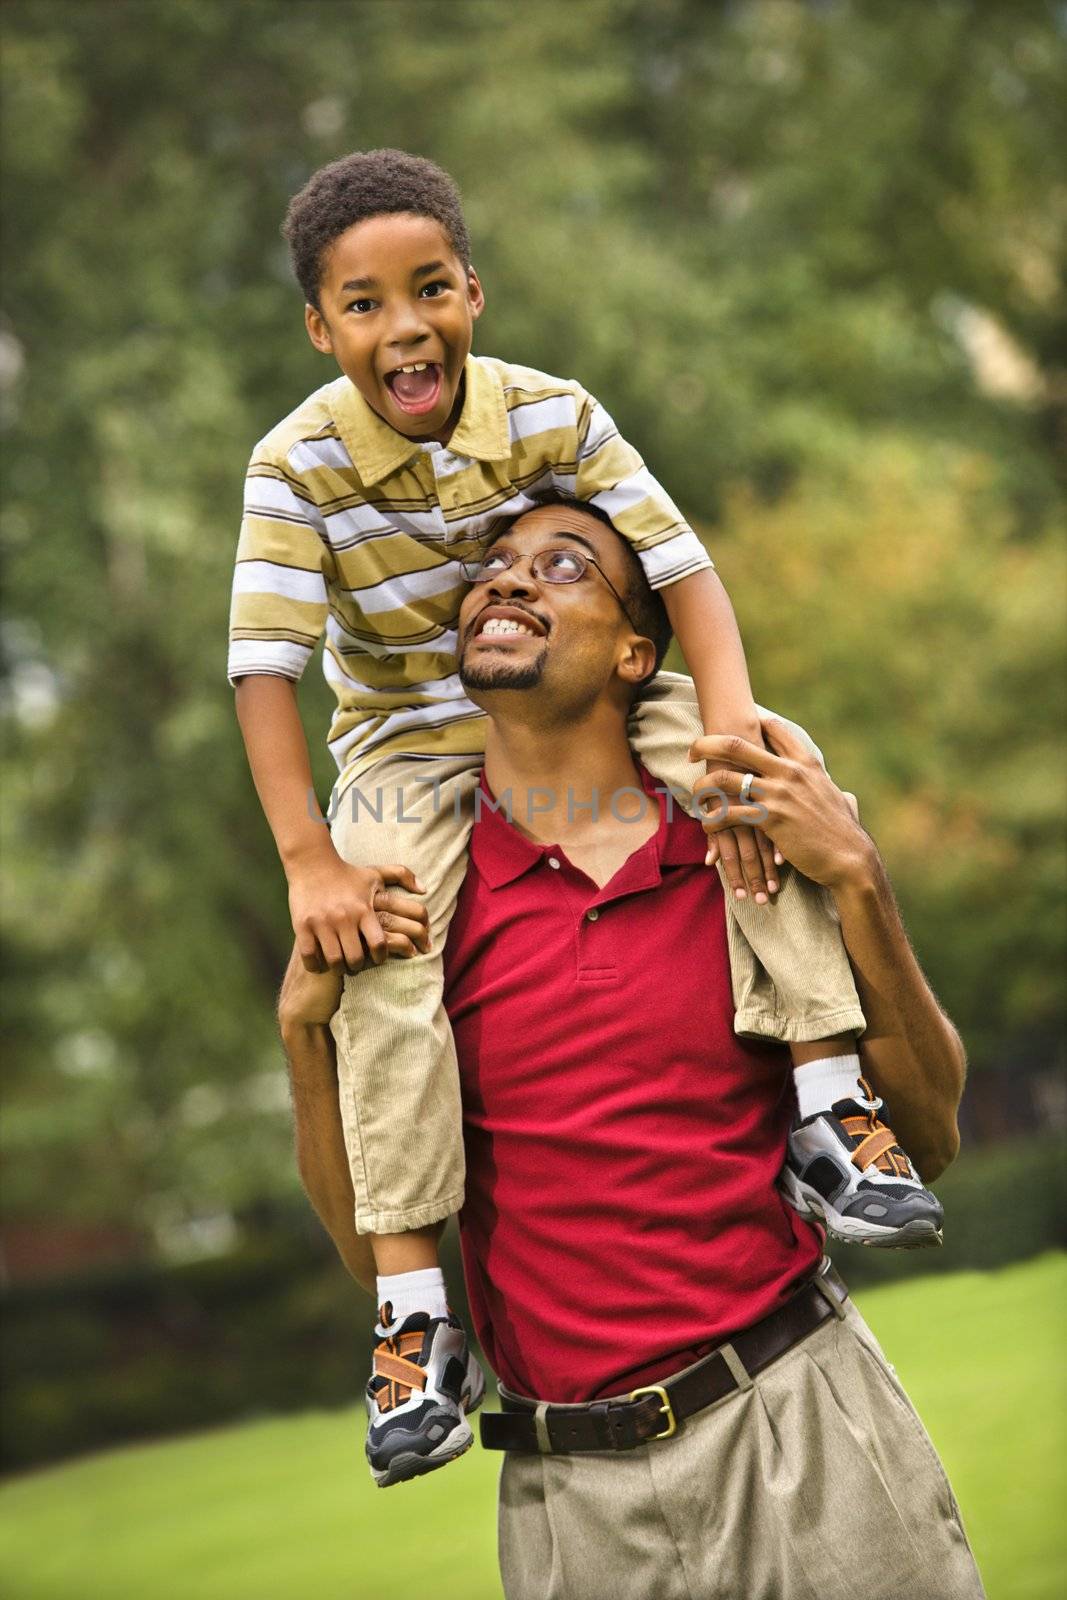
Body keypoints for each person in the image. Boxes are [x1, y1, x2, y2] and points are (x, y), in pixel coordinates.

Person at [229, 148, 940, 1485]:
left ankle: (830, 1104)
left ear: (472, 292)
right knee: (376, 942)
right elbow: (261, 668)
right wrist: (306, 861)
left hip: (573, 682)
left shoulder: (552, 414)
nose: (404, 324)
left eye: (428, 288)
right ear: (322, 330)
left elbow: (684, 576)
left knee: (769, 777)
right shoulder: (294, 464)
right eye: (365, 305)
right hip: (401, 736)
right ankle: (411, 1314)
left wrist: (725, 745)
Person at [278, 498, 983, 1597]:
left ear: (633, 653)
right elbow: (376, 1253)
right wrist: (299, 1033)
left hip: (798, 1422)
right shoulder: (414, 915)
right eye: (492, 567)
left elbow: (927, 1137)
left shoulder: (740, 853)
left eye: (564, 567)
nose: (507, 582)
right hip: (570, 1505)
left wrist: (856, 876)